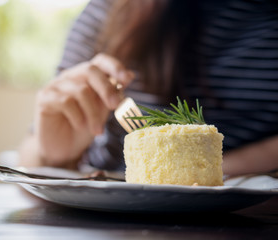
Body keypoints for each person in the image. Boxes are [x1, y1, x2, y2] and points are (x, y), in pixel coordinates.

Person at [19, 0, 278, 177]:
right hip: (102, 210)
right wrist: (54, 158)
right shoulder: (113, 9)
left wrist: (198, 171)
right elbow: (29, 163)